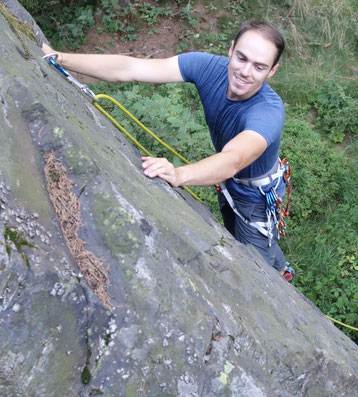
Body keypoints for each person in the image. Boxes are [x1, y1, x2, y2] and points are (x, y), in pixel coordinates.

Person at [41, 21, 294, 281]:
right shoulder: (208, 67)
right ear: (231, 50)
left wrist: (179, 174)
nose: (245, 71)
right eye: (242, 58)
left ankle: (278, 276)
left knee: (256, 267)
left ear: (272, 71)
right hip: (229, 179)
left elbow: (234, 159)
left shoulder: (268, 112)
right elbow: (130, 67)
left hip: (255, 197)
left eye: (259, 66)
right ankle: (280, 265)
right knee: (235, 232)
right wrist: (61, 58)